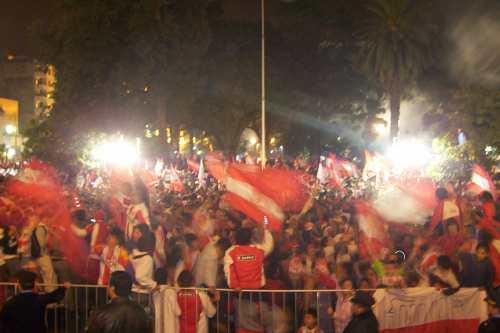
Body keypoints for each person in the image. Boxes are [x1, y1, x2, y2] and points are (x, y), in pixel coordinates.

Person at [0, 270, 68, 333]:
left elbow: (4, 322)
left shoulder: (10, 302)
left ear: (19, 285)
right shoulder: (40, 299)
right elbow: (56, 296)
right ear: (34, 285)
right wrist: (64, 287)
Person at [153, 267, 181, 333]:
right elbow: (178, 311)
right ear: (166, 278)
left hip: (159, 327)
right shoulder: (170, 292)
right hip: (170, 328)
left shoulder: (155, 293)